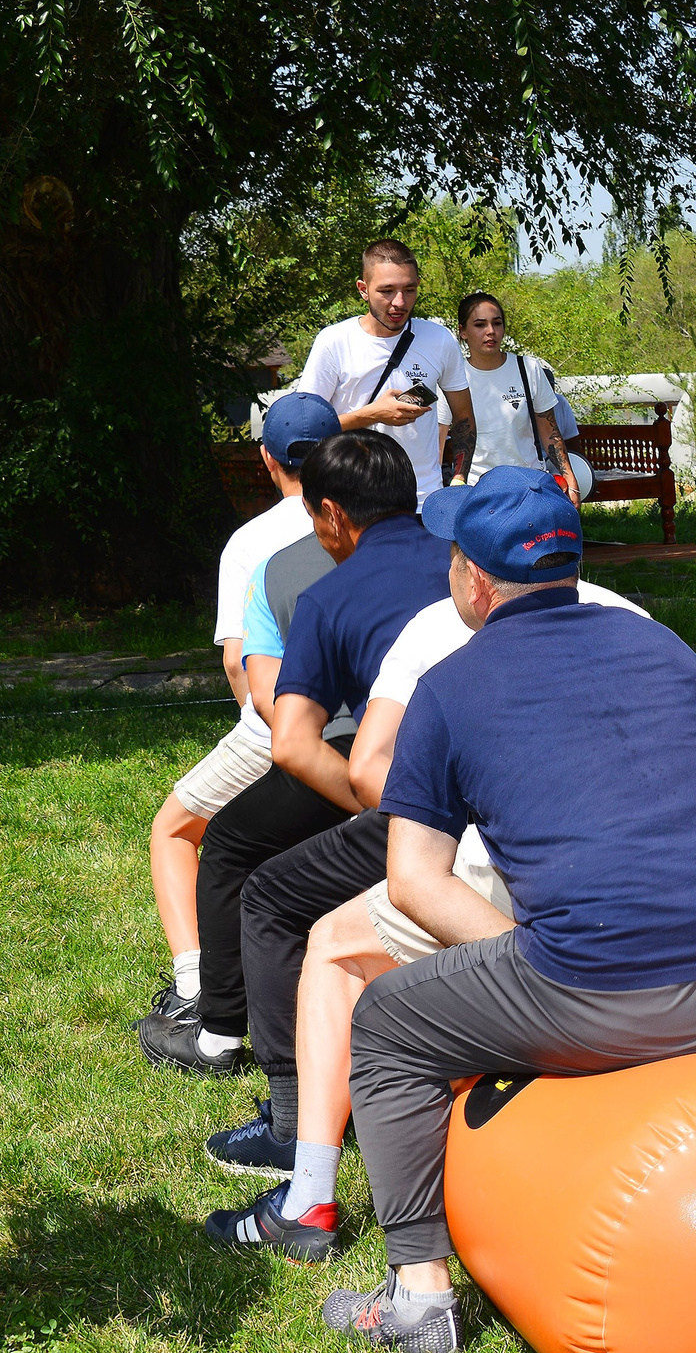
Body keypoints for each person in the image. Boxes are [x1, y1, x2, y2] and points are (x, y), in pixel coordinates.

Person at [320, 470, 696, 1353]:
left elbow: (413, 881)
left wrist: (531, 957)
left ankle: (418, 1294)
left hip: (607, 983)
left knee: (384, 1022)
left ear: (474, 581)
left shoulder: (448, 684)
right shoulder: (666, 646)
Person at [202, 497, 653, 1258]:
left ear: (471, 573)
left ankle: (318, 1200)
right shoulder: (638, 623)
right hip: (652, 884)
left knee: (336, 946)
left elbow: (376, 777)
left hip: (512, 870)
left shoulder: (444, 636)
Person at [151, 431, 452, 1072]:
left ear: (333, 515)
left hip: (407, 780)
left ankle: (221, 1033)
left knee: (233, 847)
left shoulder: (329, 595)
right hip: (486, 768)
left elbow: (289, 743)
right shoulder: (465, 562)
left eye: (316, 517)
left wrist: (373, 805)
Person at [138, 392, 343, 1041]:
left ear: (266, 459)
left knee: (174, 827)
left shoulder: (251, 541)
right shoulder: (370, 518)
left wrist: (259, 734)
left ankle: (198, 985)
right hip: (365, 719)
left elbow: (238, 663)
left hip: (281, 720)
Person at [294, 238, 474, 504]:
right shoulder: (333, 341)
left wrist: (458, 482)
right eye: (386, 291)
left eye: (409, 289)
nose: (399, 302)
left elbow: (464, 419)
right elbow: (304, 431)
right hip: (351, 503)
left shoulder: (440, 340)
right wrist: (373, 414)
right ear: (363, 289)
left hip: (422, 502)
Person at [454, 291, 580, 489]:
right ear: (463, 331)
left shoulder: (528, 369)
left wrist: (570, 478)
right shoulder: (454, 377)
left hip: (530, 485)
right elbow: (439, 439)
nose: (491, 331)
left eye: (497, 323)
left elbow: (550, 431)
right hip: (477, 489)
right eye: (480, 324)